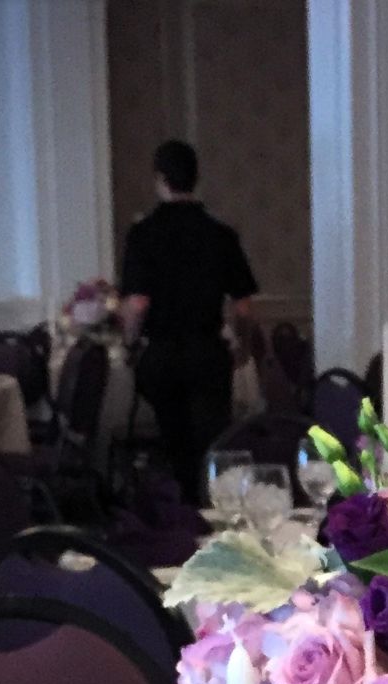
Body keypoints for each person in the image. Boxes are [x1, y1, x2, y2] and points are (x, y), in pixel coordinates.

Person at [120, 140, 259, 500]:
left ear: (160, 178)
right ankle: (212, 516)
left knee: (175, 445)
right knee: (213, 448)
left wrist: (131, 344)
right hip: (207, 353)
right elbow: (243, 308)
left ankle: (180, 515)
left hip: (164, 356)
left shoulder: (144, 234)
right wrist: (242, 347)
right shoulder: (220, 235)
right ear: (196, 179)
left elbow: (137, 306)